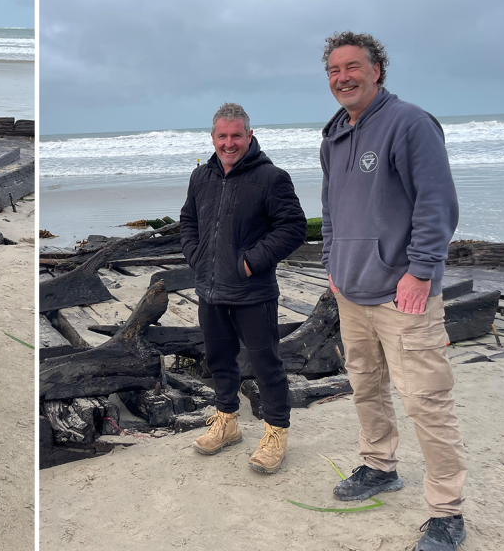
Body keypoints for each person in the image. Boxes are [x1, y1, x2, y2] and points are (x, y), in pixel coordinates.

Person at [320, 32, 466, 551]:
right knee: (366, 386)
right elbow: (332, 210)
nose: (343, 77)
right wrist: (331, 261)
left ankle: (447, 513)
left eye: (353, 66)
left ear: (377, 69)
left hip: (403, 295)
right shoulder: (334, 133)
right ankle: (380, 466)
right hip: (351, 291)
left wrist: (421, 270)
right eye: (334, 69)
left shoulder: (410, 123)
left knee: (426, 400)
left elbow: (437, 204)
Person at [179, 102, 306, 474]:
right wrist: (195, 255)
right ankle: (227, 422)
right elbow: (188, 221)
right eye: (223, 136)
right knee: (219, 360)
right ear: (213, 137)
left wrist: (251, 262)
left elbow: (293, 228)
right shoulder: (200, 176)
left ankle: (276, 432)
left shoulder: (271, 178)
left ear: (249, 136)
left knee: (266, 365)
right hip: (209, 288)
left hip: (253, 292)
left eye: (237, 135)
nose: (229, 143)